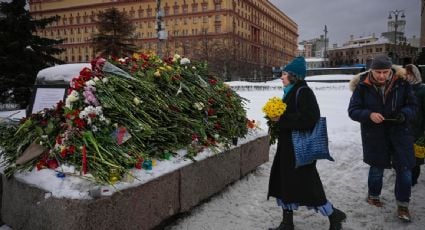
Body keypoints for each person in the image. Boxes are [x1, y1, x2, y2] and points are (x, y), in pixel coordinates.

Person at [268, 56, 346, 230]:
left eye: (284, 74)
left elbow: (311, 118)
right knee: (284, 183)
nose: (281, 77)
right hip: (288, 147)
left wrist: (282, 119)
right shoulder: (291, 91)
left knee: (308, 186)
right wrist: (275, 119)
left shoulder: (303, 92)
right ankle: (287, 223)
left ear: (294, 76)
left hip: (299, 149)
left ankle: (334, 215)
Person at [348, 55, 417, 222]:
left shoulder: (402, 82)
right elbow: (353, 110)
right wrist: (369, 114)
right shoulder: (362, 86)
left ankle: (402, 205)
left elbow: (414, 106)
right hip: (374, 135)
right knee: (377, 168)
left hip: (400, 134)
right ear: (371, 70)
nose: (381, 76)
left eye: (385, 72)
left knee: (404, 169)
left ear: (390, 70)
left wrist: (404, 114)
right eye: (378, 72)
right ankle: (373, 196)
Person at [405, 64, 425, 186]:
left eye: (409, 74)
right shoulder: (402, 89)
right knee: (403, 154)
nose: (406, 77)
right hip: (403, 129)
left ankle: (413, 180)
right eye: (405, 74)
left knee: (416, 157)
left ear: (415, 74)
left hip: (418, 130)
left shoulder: (422, 90)